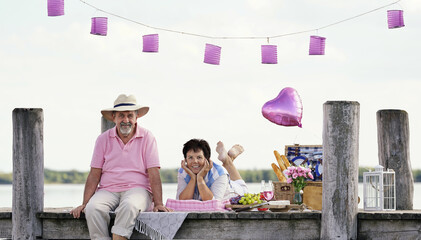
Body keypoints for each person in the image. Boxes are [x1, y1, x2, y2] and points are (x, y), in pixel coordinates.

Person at [70, 94, 171, 240]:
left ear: (136, 117)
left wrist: (159, 203)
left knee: (129, 205)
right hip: (108, 189)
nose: (126, 120)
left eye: (130, 116)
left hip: (138, 189)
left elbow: (154, 173)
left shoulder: (148, 137)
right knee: (92, 208)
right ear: (114, 117)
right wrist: (85, 203)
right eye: (121, 116)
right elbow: (94, 174)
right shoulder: (102, 139)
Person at [176, 139, 248, 201]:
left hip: (237, 192)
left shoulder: (219, 173)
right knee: (225, 165)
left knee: (244, 190)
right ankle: (229, 157)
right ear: (185, 160)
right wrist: (193, 178)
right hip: (224, 182)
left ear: (206, 159)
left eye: (199, 157)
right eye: (190, 157)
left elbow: (213, 203)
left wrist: (200, 178)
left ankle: (228, 159)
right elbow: (181, 201)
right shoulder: (183, 171)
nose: (195, 161)